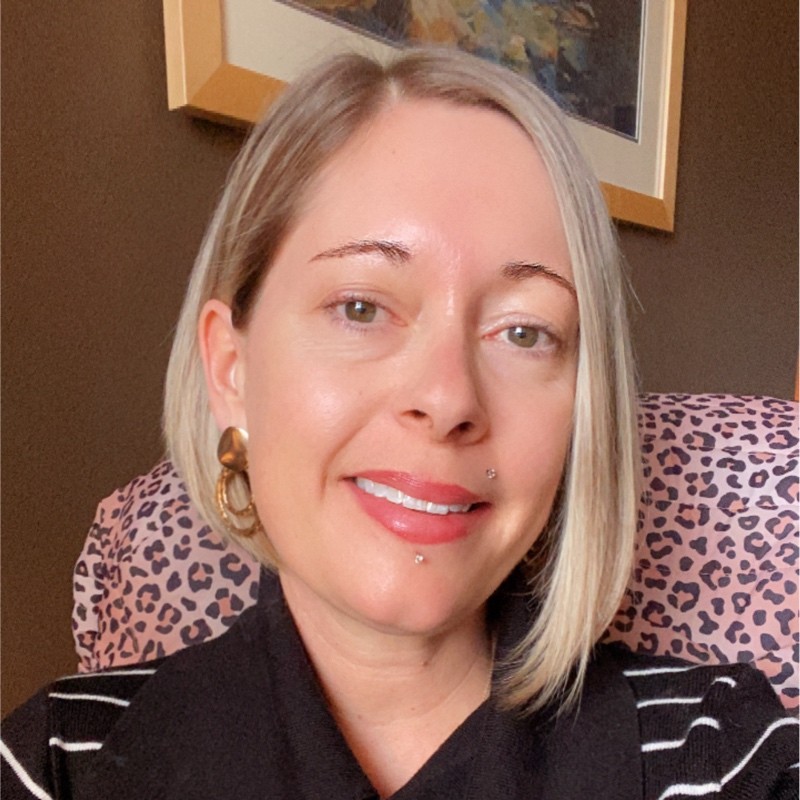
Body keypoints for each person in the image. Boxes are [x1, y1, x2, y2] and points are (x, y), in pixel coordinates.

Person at [2, 47, 796, 799]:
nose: (448, 399)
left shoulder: (724, 752)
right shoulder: (56, 765)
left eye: (525, 331)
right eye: (361, 308)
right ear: (230, 369)